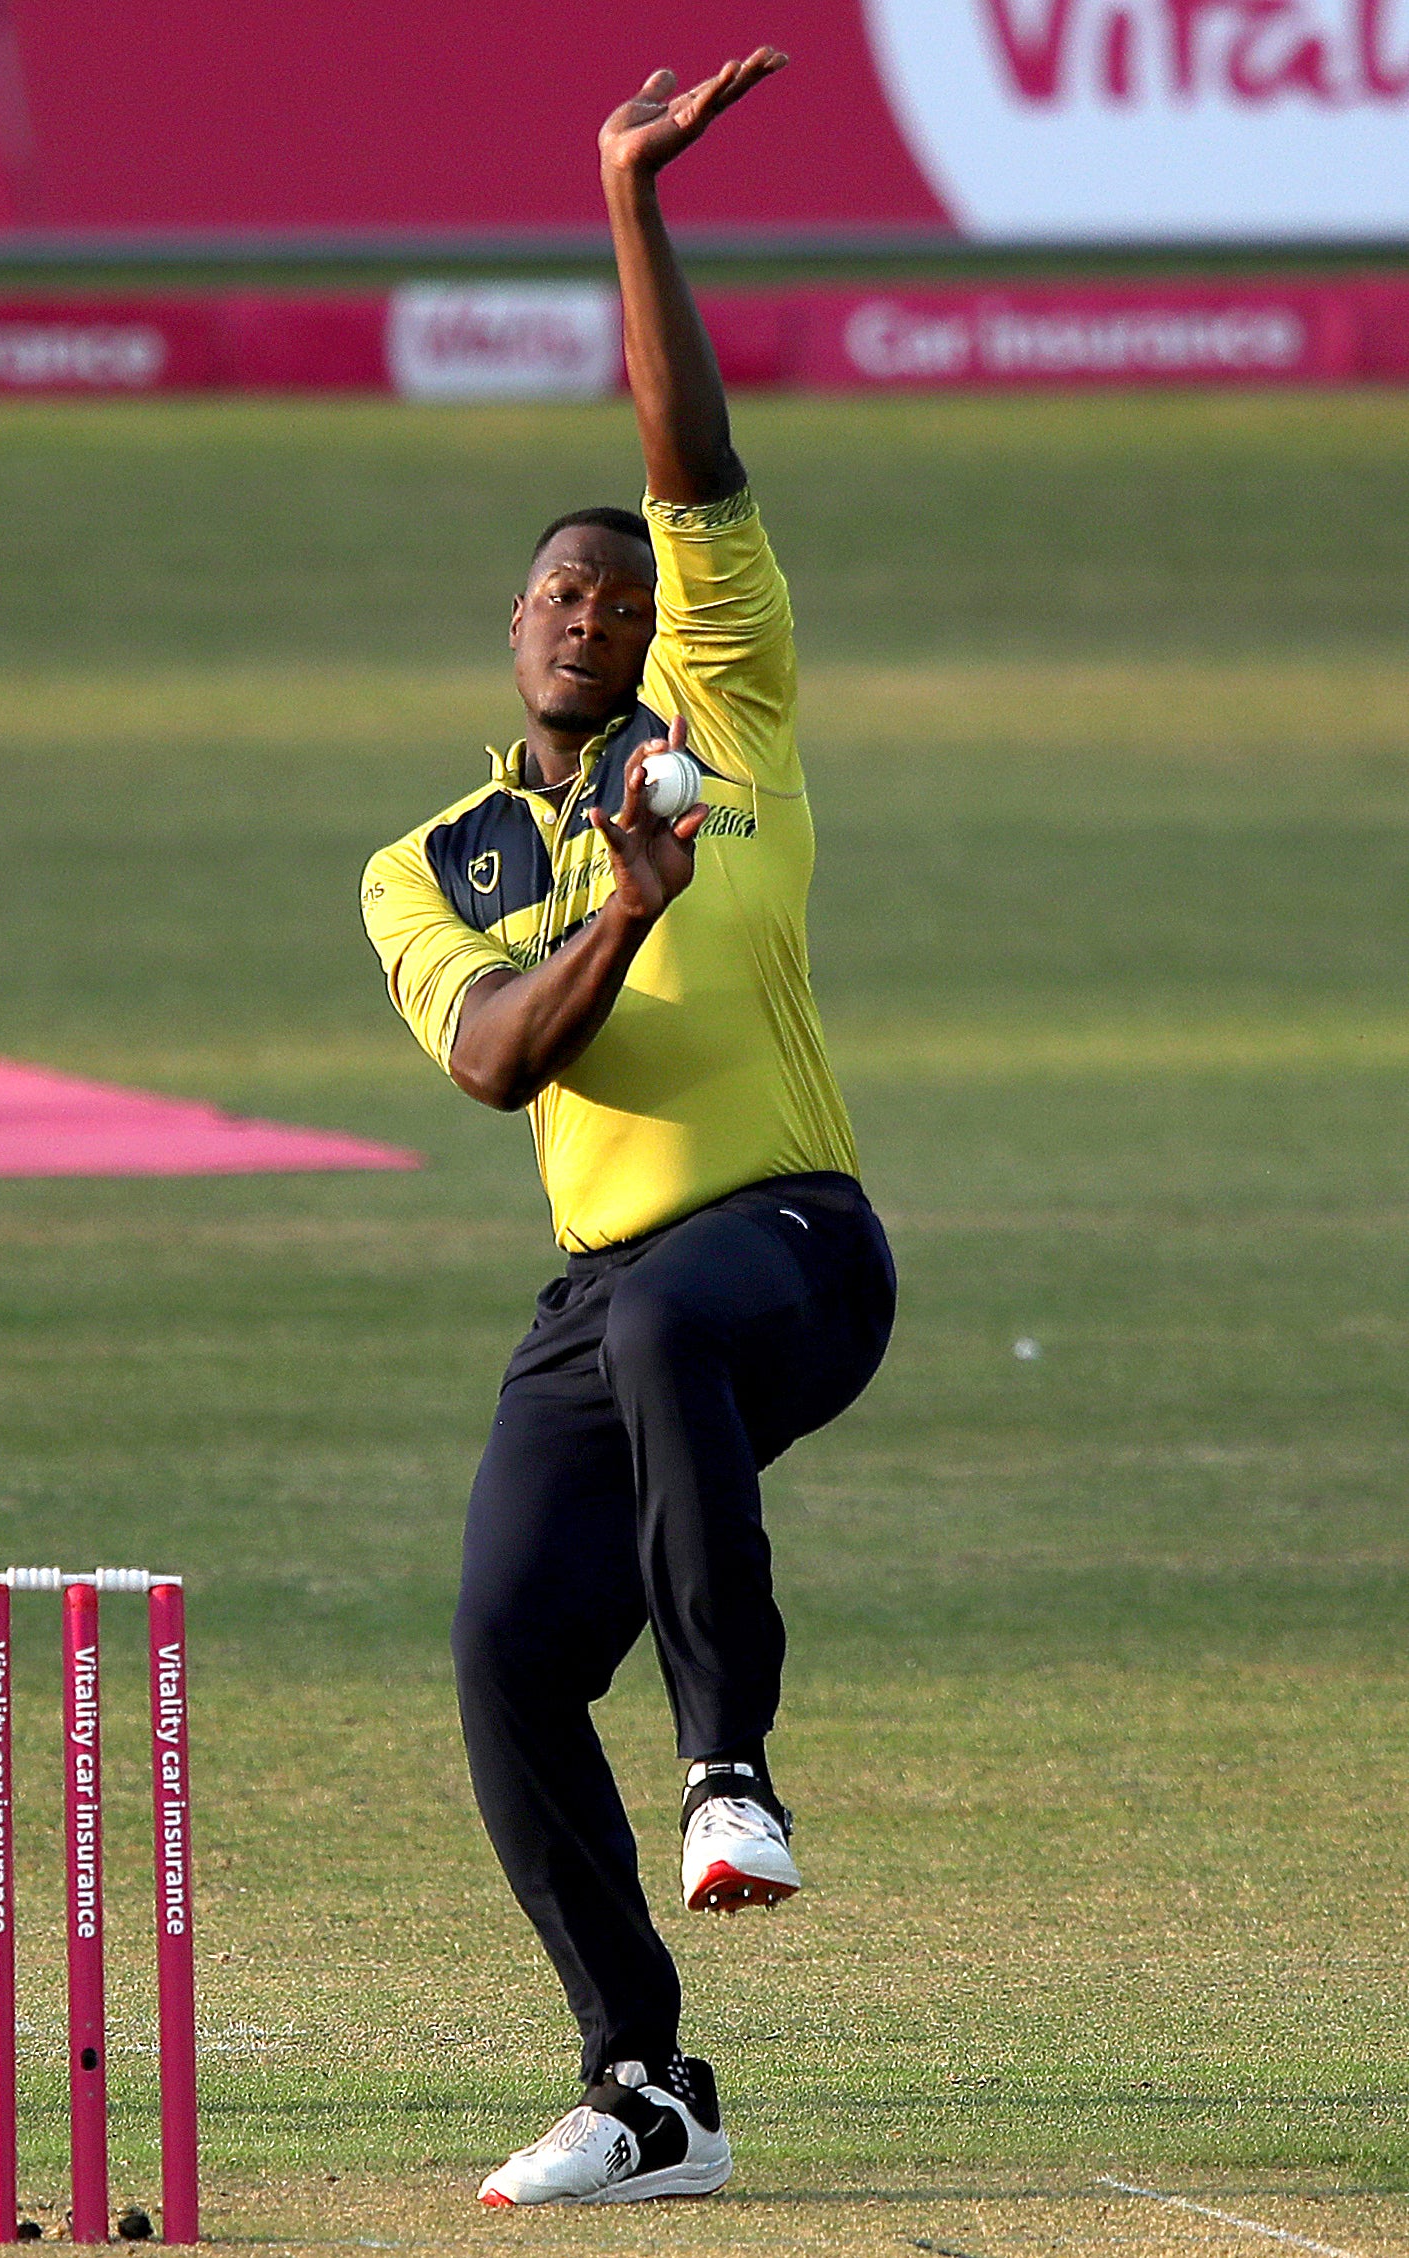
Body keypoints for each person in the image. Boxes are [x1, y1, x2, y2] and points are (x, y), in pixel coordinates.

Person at [360, 49, 896, 2209]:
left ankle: (733, 1770)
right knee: (497, 1653)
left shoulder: (727, 711)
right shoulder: (437, 856)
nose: (592, 605)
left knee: (678, 1306)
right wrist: (625, 920)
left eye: (621, 584)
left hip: (792, 1247)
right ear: (513, 632)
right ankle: (645, 2082)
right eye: (555, 591)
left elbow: (692, 451)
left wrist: (628, 200)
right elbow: (494, 1059)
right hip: (596, 1295)